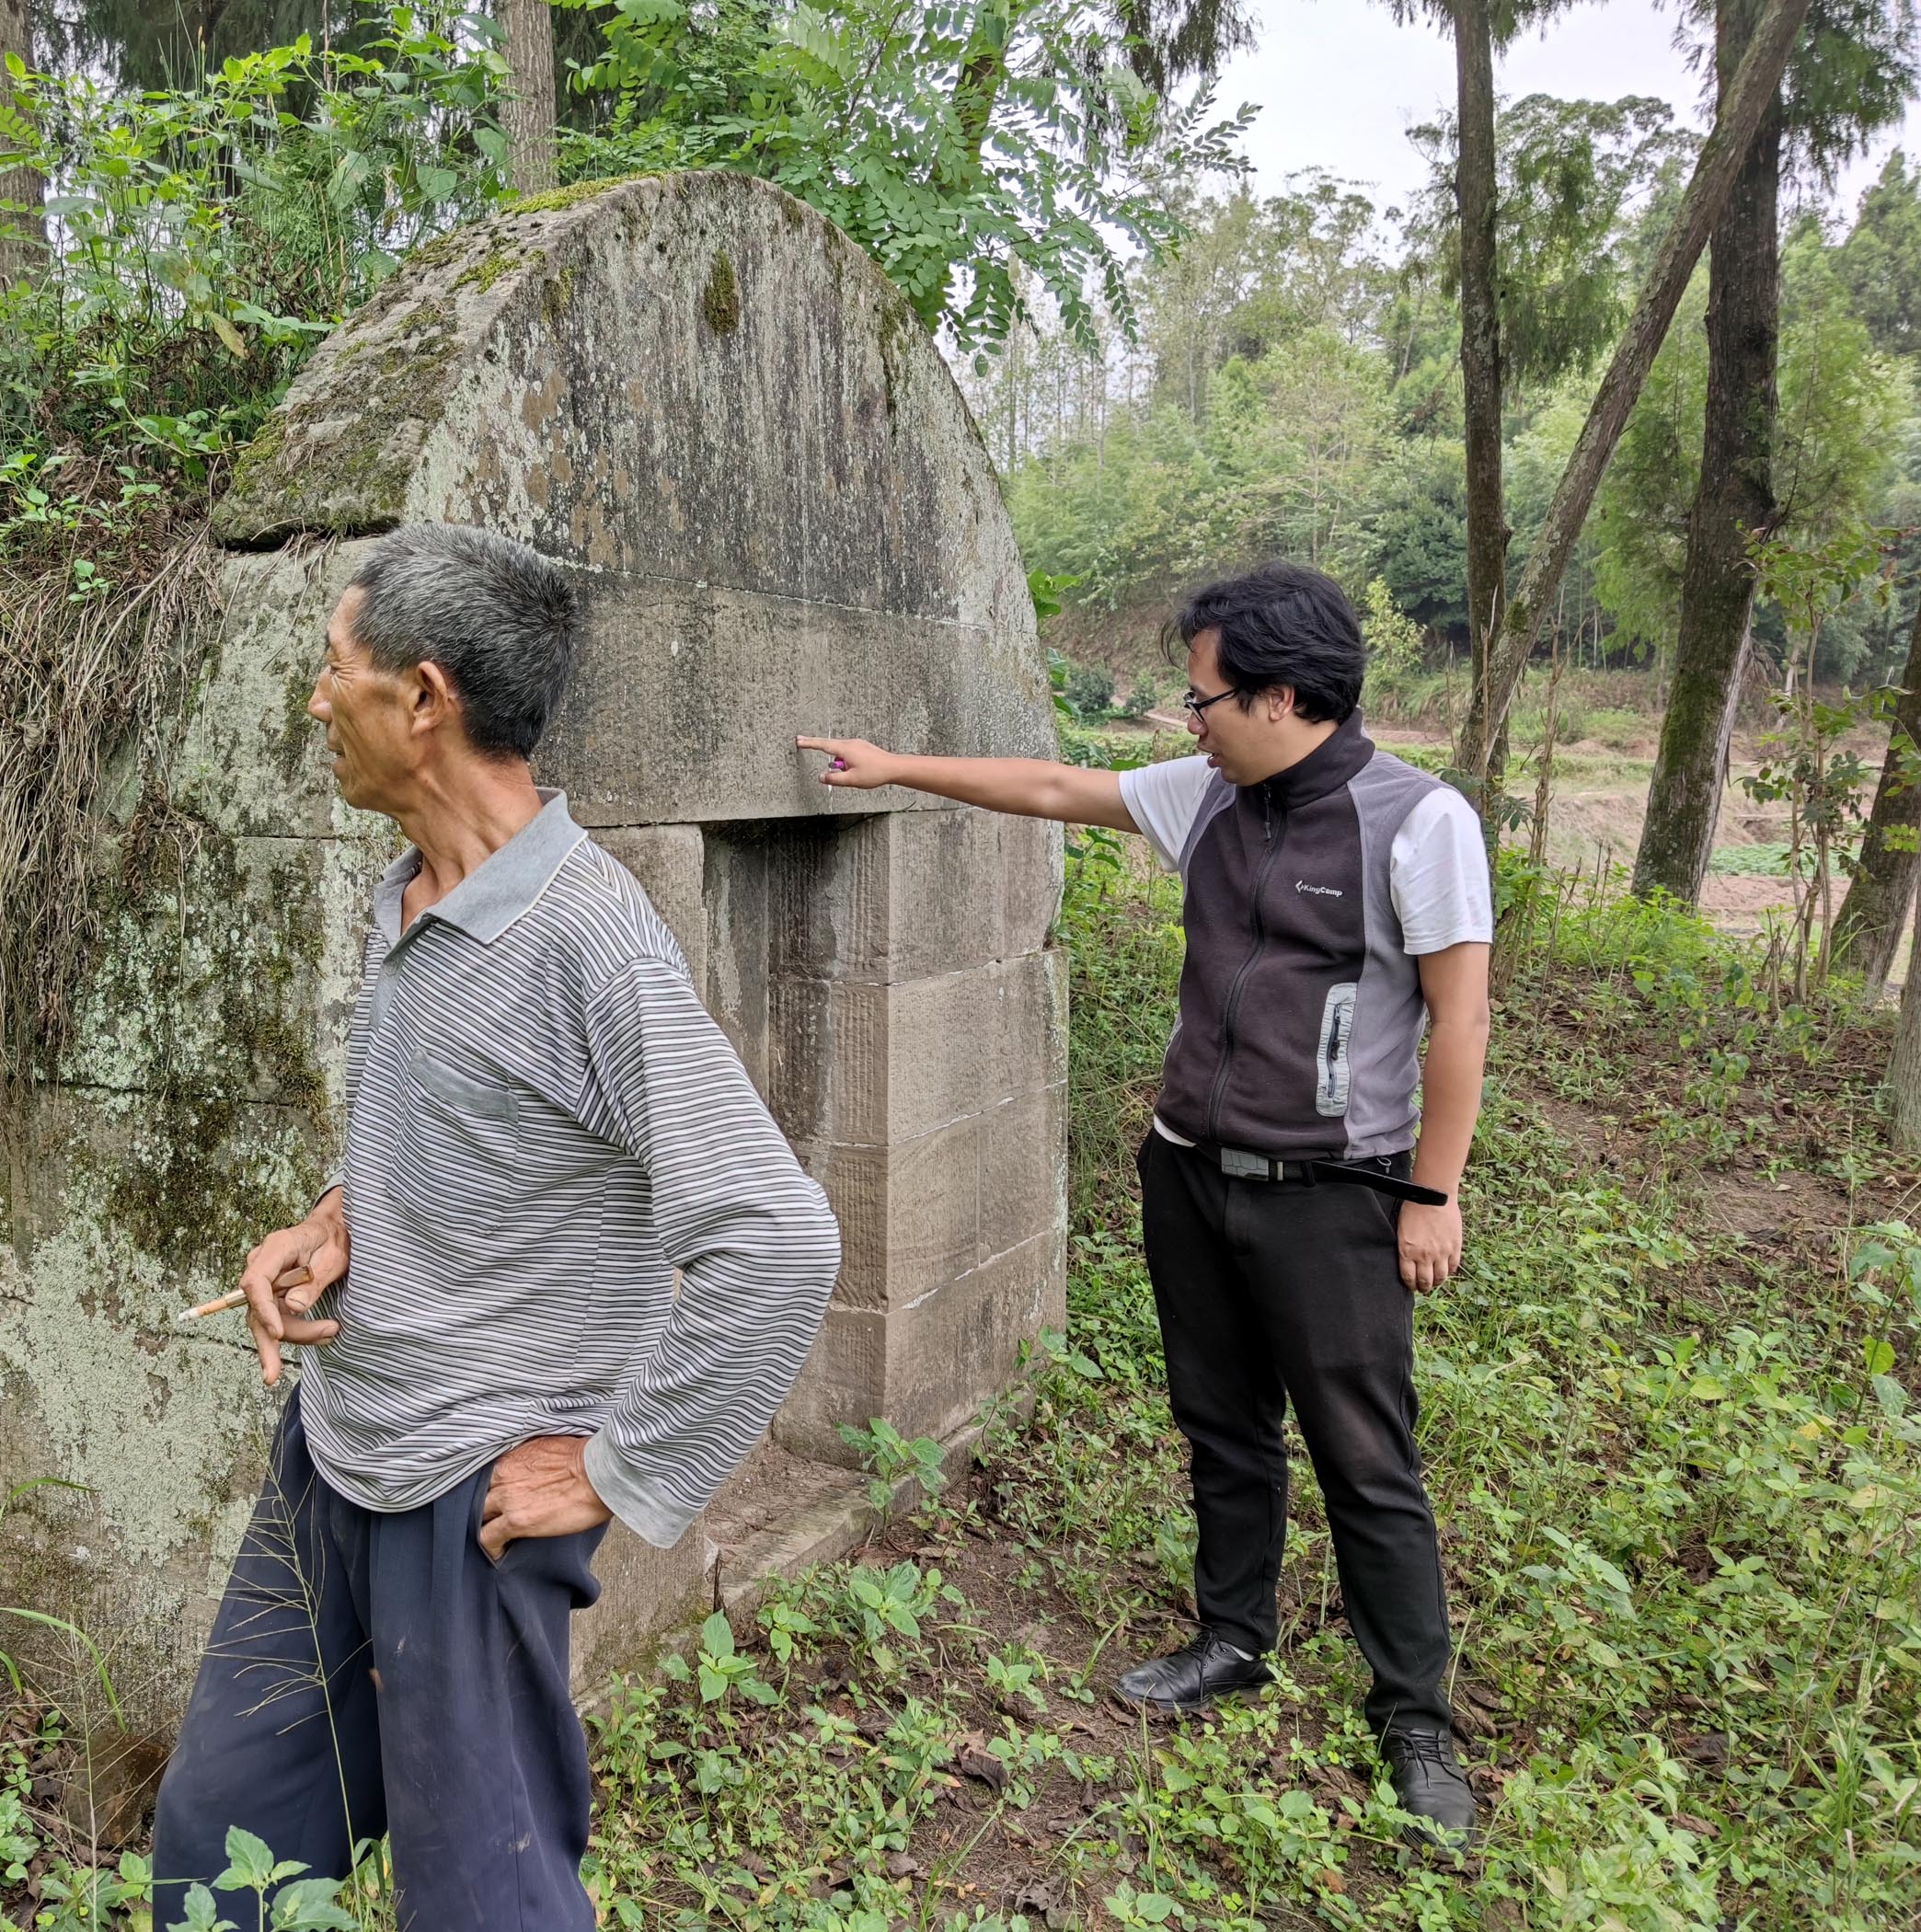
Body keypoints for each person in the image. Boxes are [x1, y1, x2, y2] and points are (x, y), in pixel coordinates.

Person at [150, 523, 842, 1930]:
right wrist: (334, 1226)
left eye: (330, 670)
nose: (312, 701)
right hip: (336, 1453)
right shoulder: (406, 893)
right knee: (218, 1847)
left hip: (464, 1510)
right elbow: (479, 1138)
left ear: (422, 698)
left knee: (482, 1905)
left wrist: (613, 1467)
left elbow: (775, 1240)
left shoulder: (588, 939)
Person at [799, 561, 1491, 1851]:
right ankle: (1233, 1638)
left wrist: (1431, 1193)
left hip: (1337, 1194)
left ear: (1283, 698)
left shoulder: (1418, 822)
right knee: (1222, 1427)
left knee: (1365, 1460)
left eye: (1206, 697)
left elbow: (1460, 1017)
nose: (1191, 720)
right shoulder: (1212, 796)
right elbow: (1057, 789)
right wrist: (897, 763)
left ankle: (1416, 1722)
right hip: (1188, 1170)